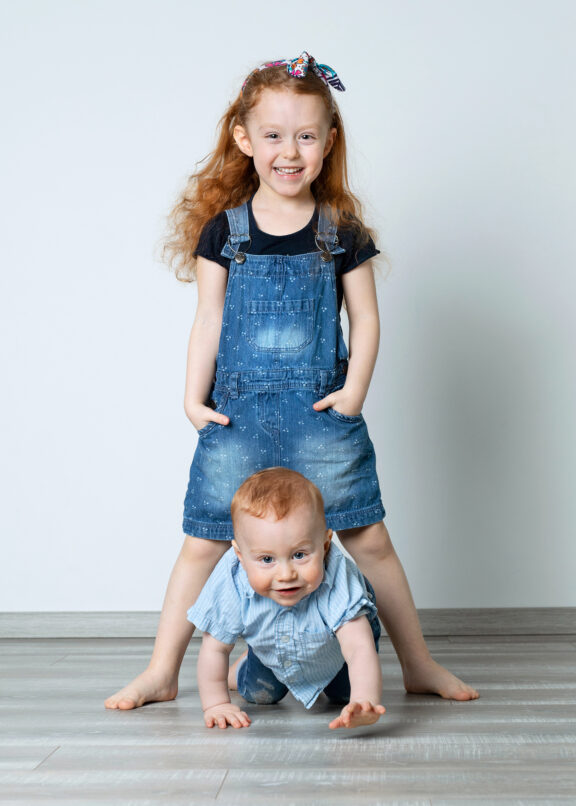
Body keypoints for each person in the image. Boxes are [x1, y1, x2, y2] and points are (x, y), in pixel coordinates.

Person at [105, 51, 478, 710]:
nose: (290, 151)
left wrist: (354, 389)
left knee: (369, 538)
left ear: (328, 141)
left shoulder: (341, 233)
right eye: (273, 135)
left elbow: (365, 318)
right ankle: (164, 670)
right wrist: (192, 398)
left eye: (306, 136)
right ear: (245, 139)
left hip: (320, 414)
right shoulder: (226, 233)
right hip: (239, 414)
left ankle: (418, 664)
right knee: (202, 541)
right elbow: (209, 318)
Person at [189, 467, 386, 730]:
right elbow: (215, 647)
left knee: (346, 696)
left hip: (336, 652)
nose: (286, 574)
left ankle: (350, 691)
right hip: (270, 648)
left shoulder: (338, 574)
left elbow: (358, 648)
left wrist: (364, 701)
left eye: (300, 555)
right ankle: (243, 667)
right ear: (240, 555)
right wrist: (216, 704)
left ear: (325, 545)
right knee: (260, 695)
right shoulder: (231, 579)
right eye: (267, 559)